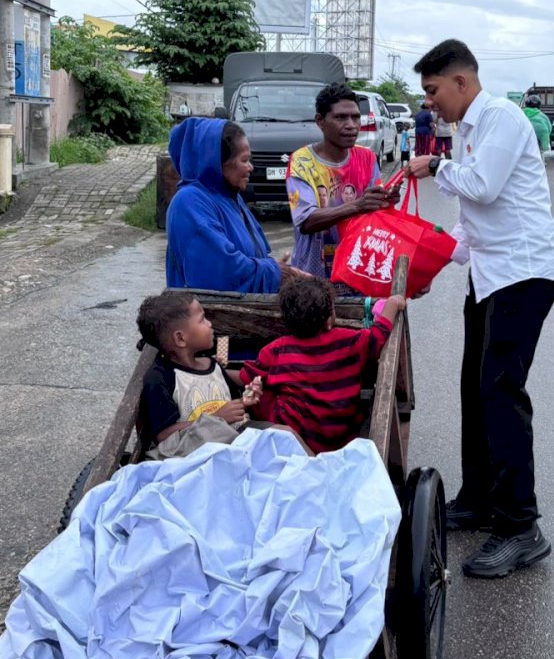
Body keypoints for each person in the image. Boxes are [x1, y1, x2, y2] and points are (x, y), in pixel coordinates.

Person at [404, 39, 554, 580]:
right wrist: (427, 263)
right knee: (475, 386)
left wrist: (435, 167)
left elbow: (483, 187)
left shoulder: (500, 117)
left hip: (525, 272)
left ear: (461, 82)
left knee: (500, 390)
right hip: (492, 274)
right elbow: (473, 221)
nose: (430, 103)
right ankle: (479, 498)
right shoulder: (469, 129)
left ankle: (521, 529)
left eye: (432, 91)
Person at [239, 276, 406, 453]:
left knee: (260, 389)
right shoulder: (350, 341)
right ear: (328, 320)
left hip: (296, 441)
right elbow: (378, 335)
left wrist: (219, 368)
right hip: (343, 436)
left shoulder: (275, 351)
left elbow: (246, 376)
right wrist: (392, 304)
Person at [166, 118, 300, 293]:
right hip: (203, 316)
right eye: (244, 160)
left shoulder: (231, 198)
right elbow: (221, 271)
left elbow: (252, 257)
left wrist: (274, 268)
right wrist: (275, 272)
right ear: (216, 163)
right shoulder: (190, 202)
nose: (251, 167)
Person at [286, 83, 400, 282]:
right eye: (341, 117)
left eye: (355, 117)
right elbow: (306, 221)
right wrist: (358, 205)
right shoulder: (302, 162)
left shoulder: (367, 158)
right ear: (320, 121)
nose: (351, 125)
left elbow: (374, 215)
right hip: (312, 277)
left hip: (357, 272)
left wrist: (385, 200)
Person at [137, 290, 261, 446]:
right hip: (202, 450)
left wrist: (246, 399)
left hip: (238, 437)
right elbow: (164, 435)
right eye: (202, 320)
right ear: (180, 338)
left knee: (285, 433)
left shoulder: (213, 365)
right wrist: (215, 419)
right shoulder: (160, 377)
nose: (210, 324)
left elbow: (229, 404)